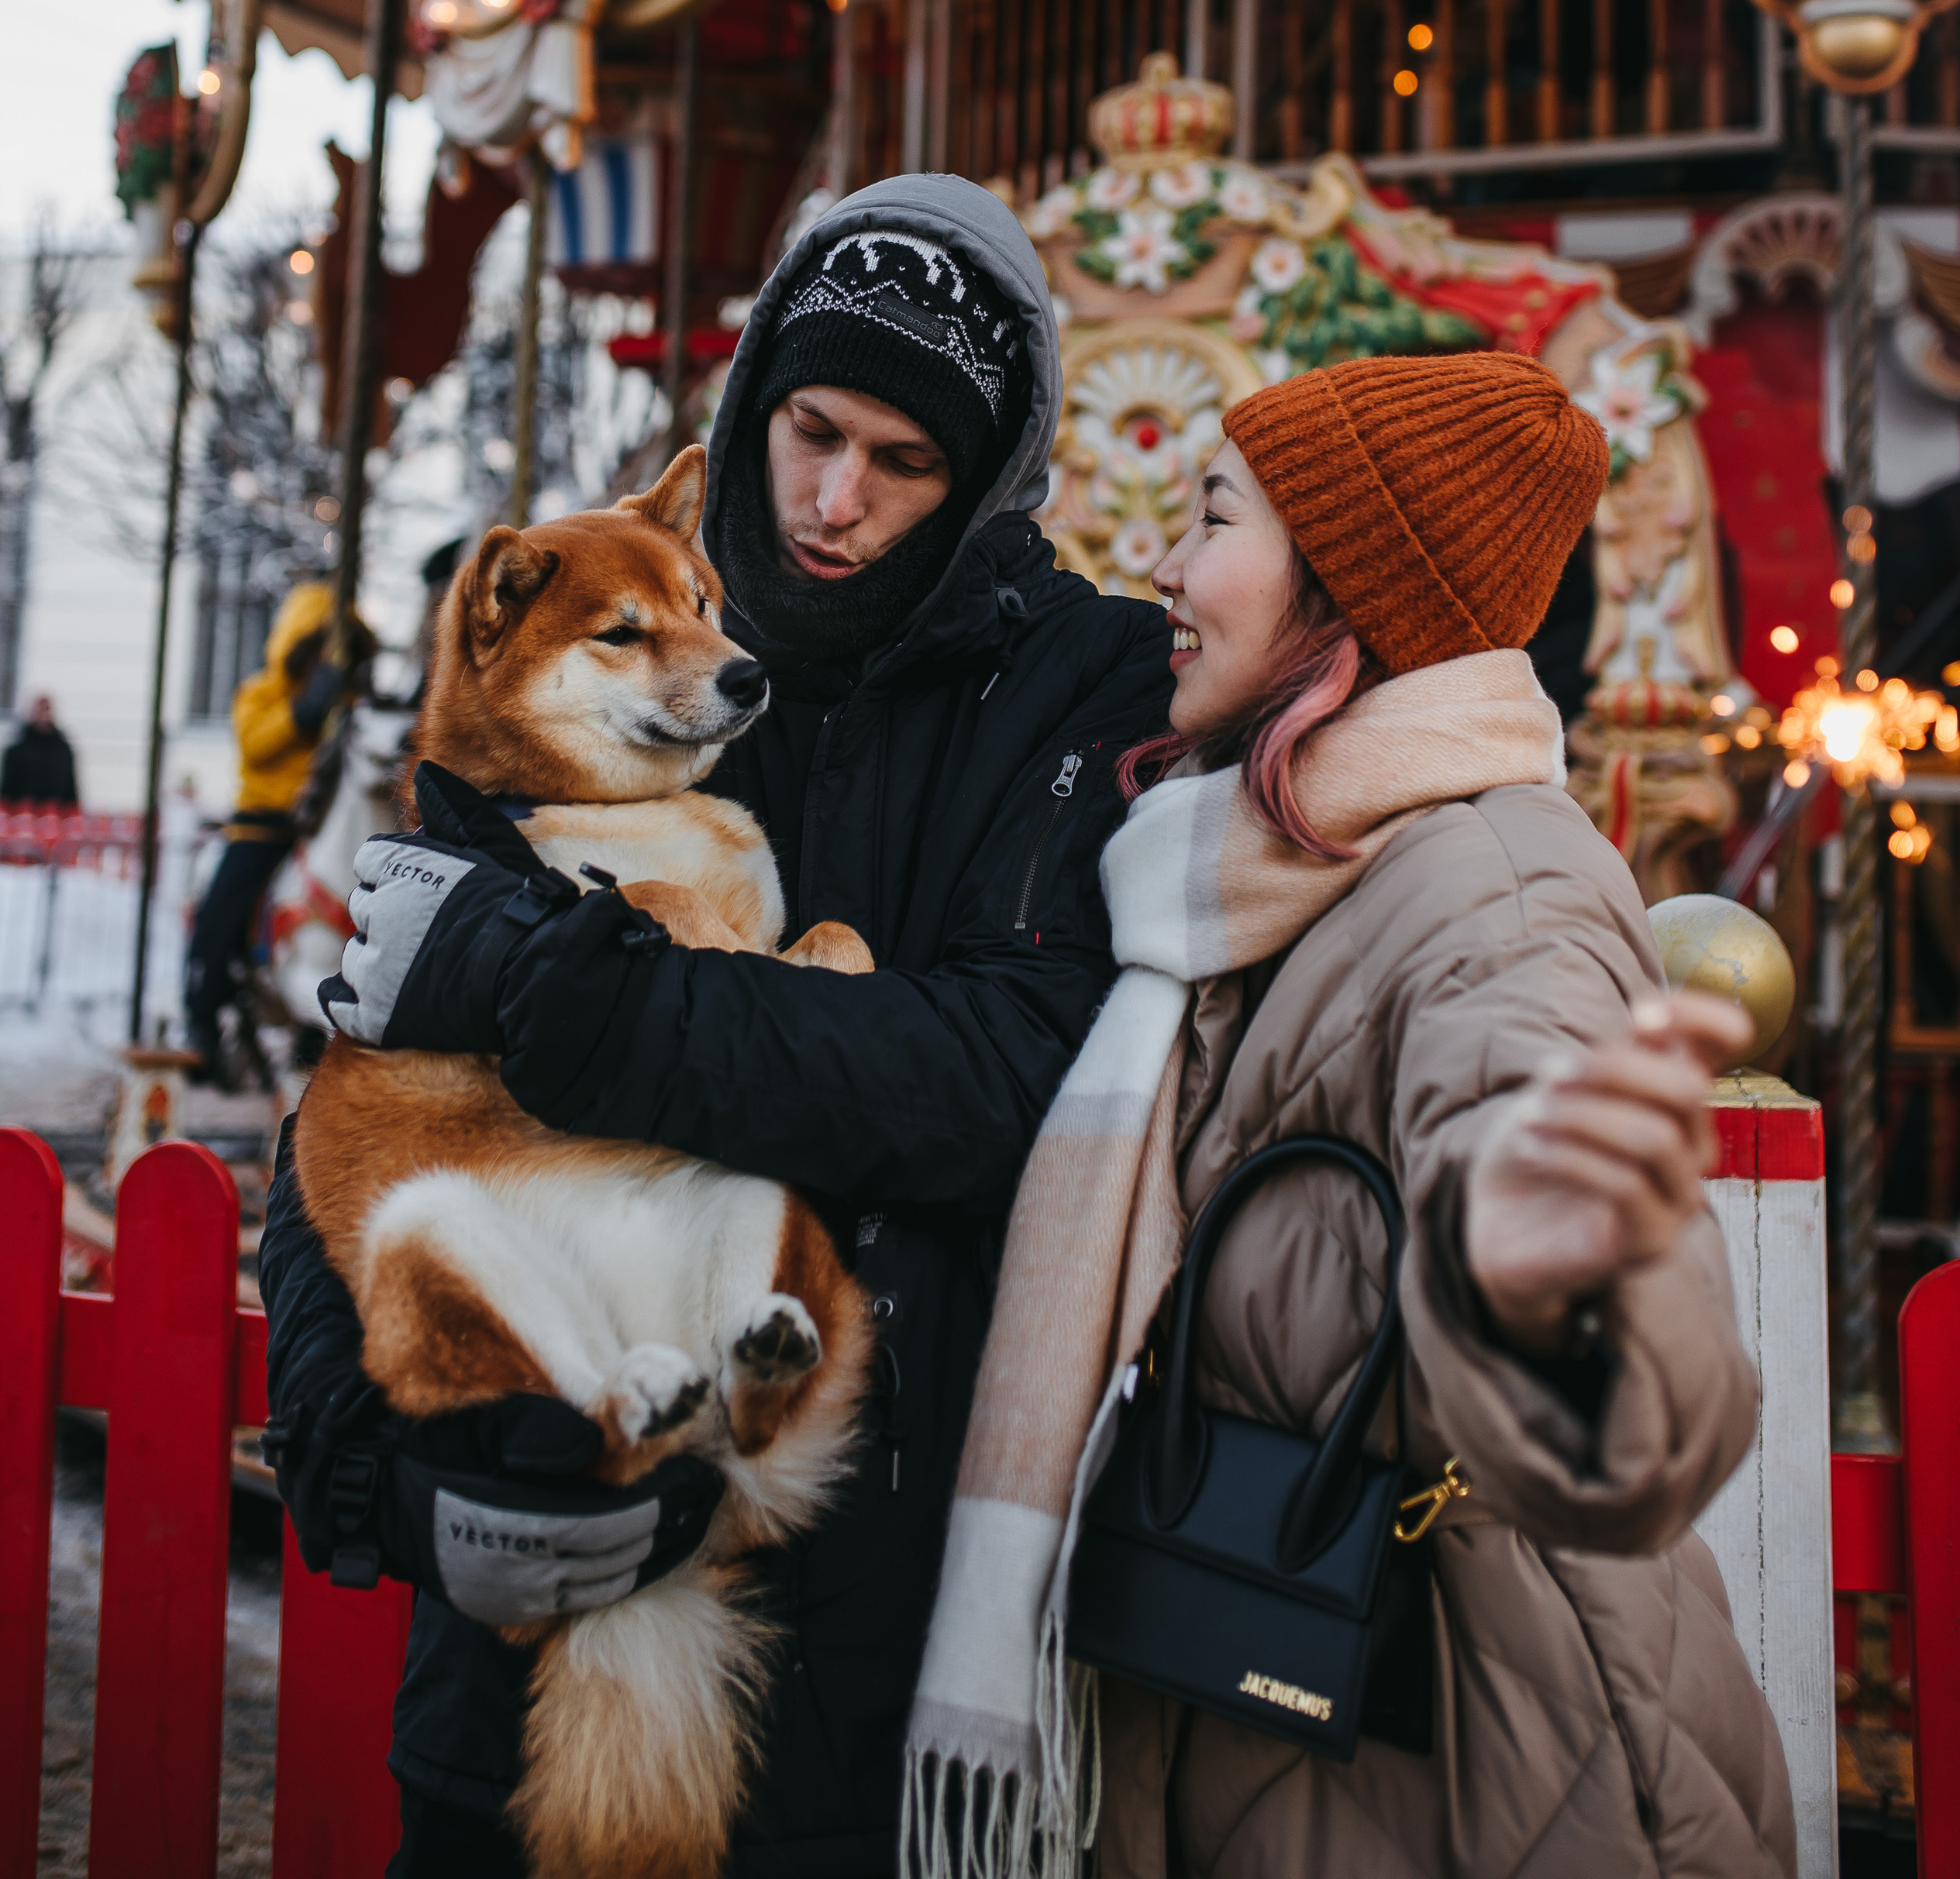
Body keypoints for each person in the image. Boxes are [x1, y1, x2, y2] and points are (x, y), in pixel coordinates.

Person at [256, 175, 1174, 1879]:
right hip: (516, 1645)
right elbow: (368, 1099)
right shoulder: (572, 626)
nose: (835, 502)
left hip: (860, 1648)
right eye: (811, 430)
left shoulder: (1074, 684)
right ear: (750, 404)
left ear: (979, 479)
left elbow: (995, 1079)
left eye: (904, 464)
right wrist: (381, 1468)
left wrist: (570, 995)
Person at [904, 349, 1793, 1879]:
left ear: (1343, 582)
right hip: (1280, 1732)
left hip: (1471, 1763)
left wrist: (1546, 1280)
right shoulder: (1274, 872)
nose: (1166, 569)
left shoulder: (1489, 895)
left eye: (1210, 518)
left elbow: (1604, 1333)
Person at [184, 581, 367, 1080]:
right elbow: (256, 745)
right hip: (266, 824)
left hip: (323, 823)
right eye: (312, 652)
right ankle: (202, 1011)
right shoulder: (261, 693)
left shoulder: (349, 703)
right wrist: (304, 712)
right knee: (225, 906)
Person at [0, 692, 78, 806]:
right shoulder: (16, 751)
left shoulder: (63, 751)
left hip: (54, 814)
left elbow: (71, 789)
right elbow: (5, 791)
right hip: (22, 813)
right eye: (39, 710)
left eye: (46, 710)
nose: (42, 715)